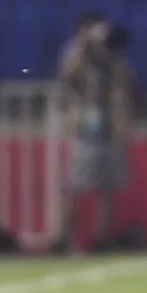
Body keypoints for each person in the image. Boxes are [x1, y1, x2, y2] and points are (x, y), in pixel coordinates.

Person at [55, 13, 132, 253]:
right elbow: (68, 76)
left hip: (110, 128)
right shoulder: (75, 53)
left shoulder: (113, 57)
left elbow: (124, 81)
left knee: (108, 188)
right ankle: (66, 240)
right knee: (74, 186)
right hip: (83, 128)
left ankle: (101, 239)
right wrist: (83, 46)